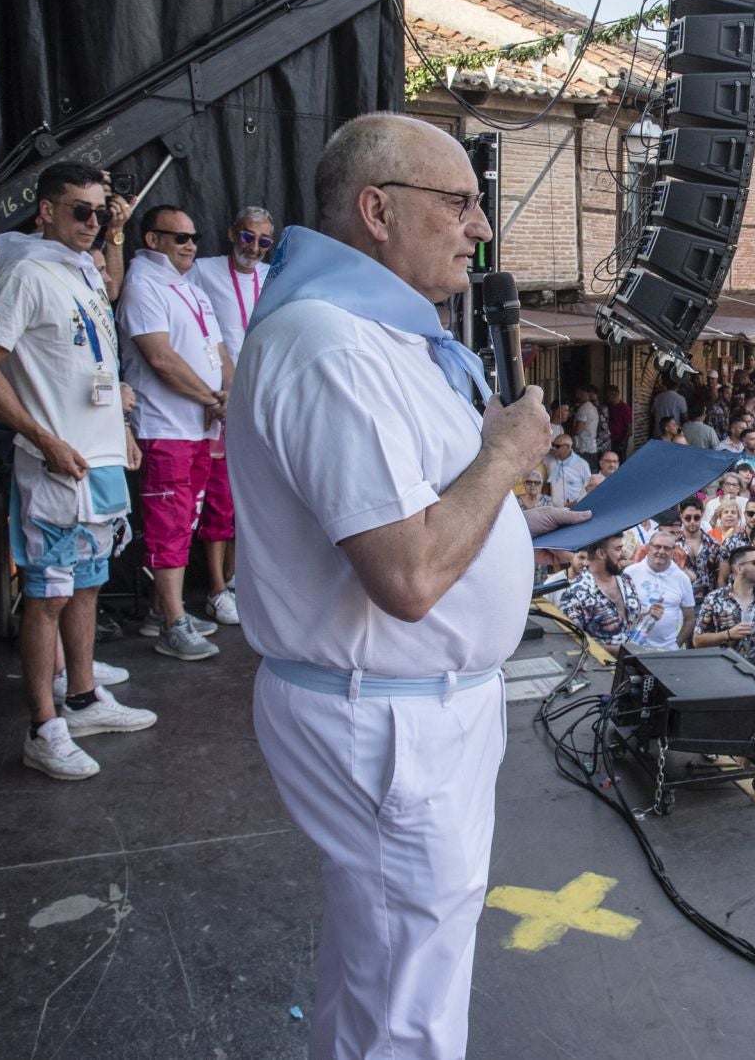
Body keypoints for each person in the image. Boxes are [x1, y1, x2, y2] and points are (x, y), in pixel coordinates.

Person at [226, 114, 582, 1059]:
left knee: (382, 961)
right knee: (409, 1002)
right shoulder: (331, 347)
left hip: (411, 712)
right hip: (387, 722)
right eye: (460, 203)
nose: (480, 228)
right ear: (378, 210)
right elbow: (410, 573)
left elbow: (420, 506)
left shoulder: (377, 338)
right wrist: (506, 458)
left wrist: (511, 521)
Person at [0, 162, 155, 780]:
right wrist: (41, 437)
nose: (92, 223)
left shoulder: (85, 274)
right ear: (45, 210)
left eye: (100, 213)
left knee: (89, 582)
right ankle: (43, 727)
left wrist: (120, 428)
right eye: (80, 210)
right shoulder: (26, 273)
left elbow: (92, 367)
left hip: (97, 457)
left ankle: (82, 697)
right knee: (48, 594)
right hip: (55, 464)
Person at [118, 204, 228, 660]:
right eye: (178, 237)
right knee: (168, 523)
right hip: (166, 426)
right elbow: (159, 358)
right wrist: (210, 398)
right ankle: (171, 622)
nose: (190, 245)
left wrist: (228, 399)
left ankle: (164, 610)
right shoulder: (142, 284)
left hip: (199, 428)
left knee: (185, 521)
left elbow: (219, 351)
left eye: (194, 237)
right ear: (151, 240)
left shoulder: (189, 288)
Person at [187, 205, 274, 624]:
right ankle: (216, 589)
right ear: (231, 233)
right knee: (219, 498)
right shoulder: (202, 272)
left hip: (262, 400)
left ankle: (238, 579)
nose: (253, 248)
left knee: (252, 497)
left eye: (263, 241)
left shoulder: (271, 275)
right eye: (247, 237)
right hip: (221, 400)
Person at [621, 528, 696, 650]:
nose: (661, 551)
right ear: (649, 548)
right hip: (633, 646)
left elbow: (690, 619)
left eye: (667, 548)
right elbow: (621, 613)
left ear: (673, 552)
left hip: (667, 650)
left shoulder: (682, 578)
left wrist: (676, 645)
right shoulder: (630, 573)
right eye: (657, 546)